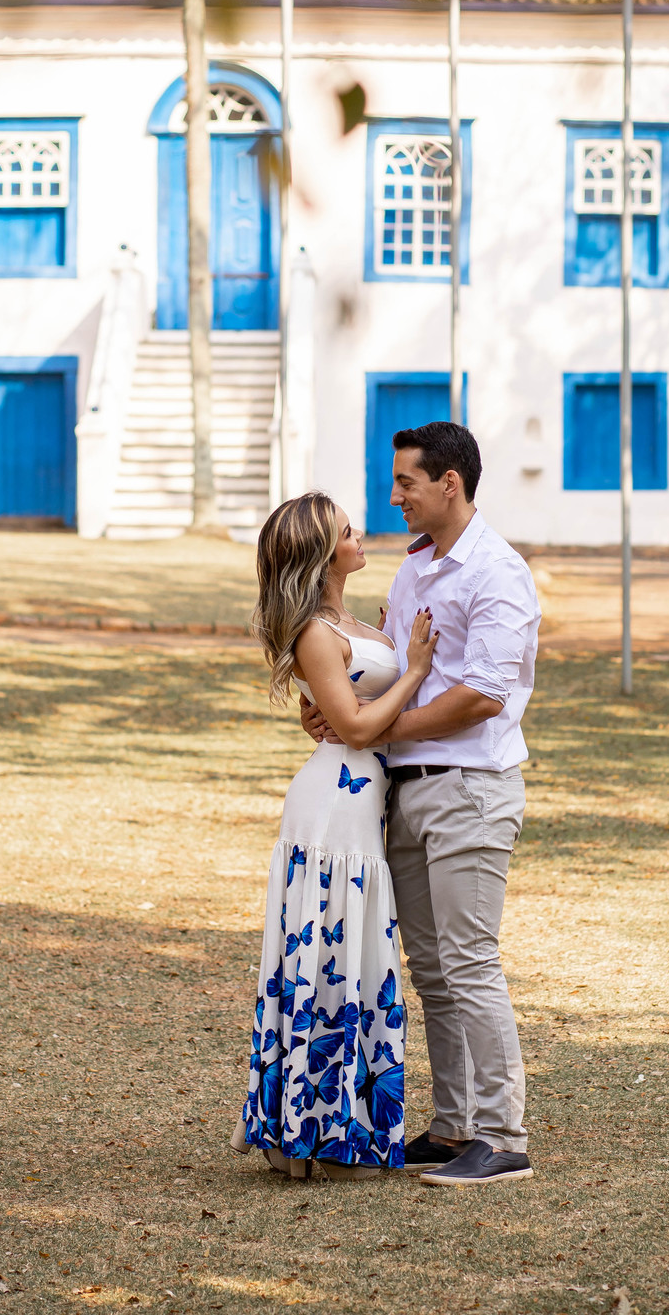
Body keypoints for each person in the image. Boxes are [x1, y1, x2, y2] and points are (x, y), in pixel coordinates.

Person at [302, 422, 540, 1187]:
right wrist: (341, 712)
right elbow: (397, 668)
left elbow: (481, 696)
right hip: (404, 787)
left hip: (468, 789)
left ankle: (503, 1138)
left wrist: (382, 726)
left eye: (407, 482)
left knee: (470, 963)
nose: (394, 496)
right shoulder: (415, 570)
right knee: (432, 971)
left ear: (450, 483)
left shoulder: (497, 573)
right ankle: (452, 1126)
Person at [232, 491, 440, 1177]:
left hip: (360, 808)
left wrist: (345, 690)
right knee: (325, 960)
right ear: (324, 552)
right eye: (349, 531)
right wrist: (409, 667)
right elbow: (351, 727)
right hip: (332, 815)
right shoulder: (317, 630)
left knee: (348, 962)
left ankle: (330, 1128)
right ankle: (305, 1133)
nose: (361, 536)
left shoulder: (347, 621)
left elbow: (335, 705)